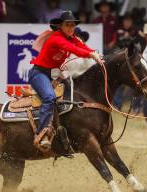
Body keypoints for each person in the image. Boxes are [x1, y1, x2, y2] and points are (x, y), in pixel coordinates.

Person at [29, 11, 103, 149]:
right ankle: (42, 133)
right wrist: (91, 55)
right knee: (50, 97)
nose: (70, 28)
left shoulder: (72, 37)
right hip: (39, 73)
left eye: (72, 25)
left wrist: (95, 53)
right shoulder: (57, 38)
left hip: (53, 74)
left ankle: (67, 132)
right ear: (60, 26)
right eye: (67, 25)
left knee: (73, 95)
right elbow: (74, 49)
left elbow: (82, 47)